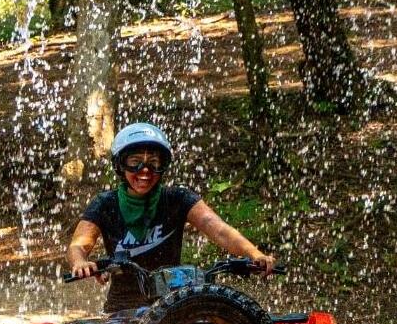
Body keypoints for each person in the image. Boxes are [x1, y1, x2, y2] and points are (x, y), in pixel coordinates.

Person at [67, 122, 276, 312]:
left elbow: (219, 229)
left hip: (174, 303)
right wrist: (80, 263)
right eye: (135, 162)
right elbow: (79, 245)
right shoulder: (105, 203)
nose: (145, 171)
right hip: (122, 306)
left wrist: (254, 254)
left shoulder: (178, 198)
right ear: (120, 166)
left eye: (154, 163)